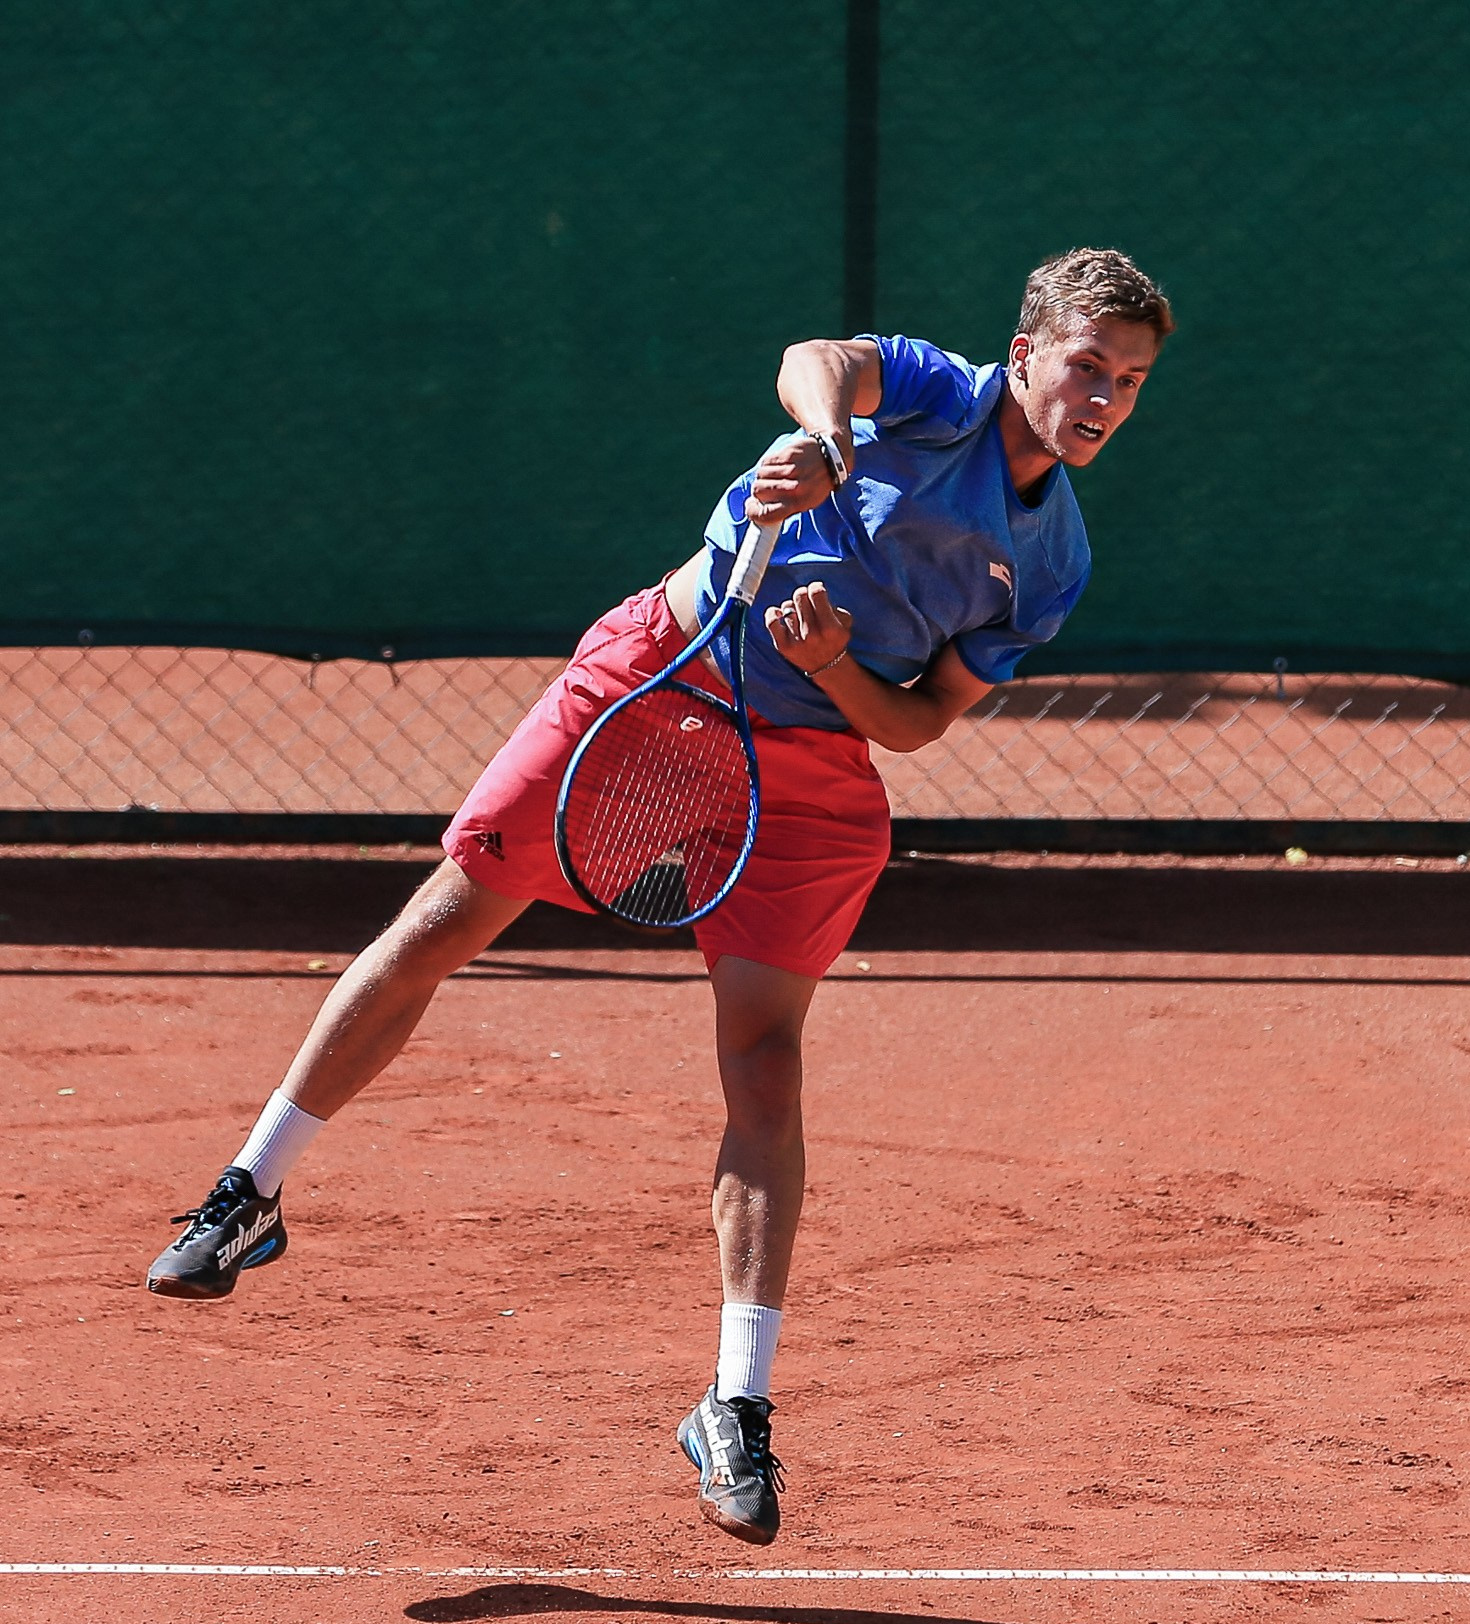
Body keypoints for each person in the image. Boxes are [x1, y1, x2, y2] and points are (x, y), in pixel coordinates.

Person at [143, 247, 1173, 1546]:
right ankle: (249, 1195)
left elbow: (917, 726)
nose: (1103, 399)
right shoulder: (932, 392)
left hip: (813, 760)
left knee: (765, 1064)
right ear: (1024, 354)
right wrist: (821, 438)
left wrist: (834, 669)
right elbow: (821, 363)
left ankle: (735, 1405)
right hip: (664, 673)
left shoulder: (1056, 560)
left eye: (1129, 383)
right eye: (1088, 366)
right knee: (442, 926)